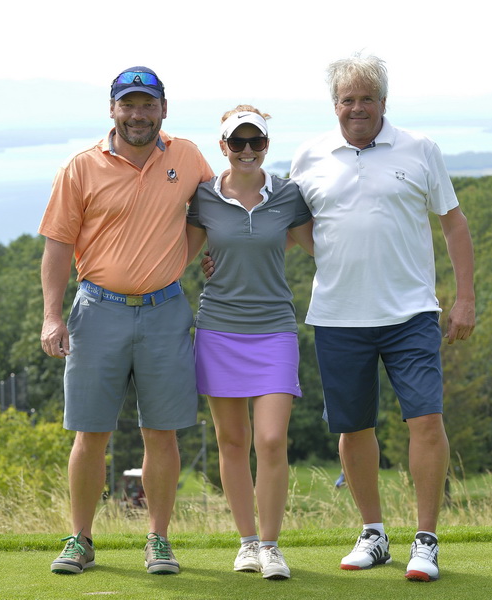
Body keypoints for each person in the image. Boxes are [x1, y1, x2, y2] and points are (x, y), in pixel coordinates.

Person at [290, 53, 476, 581]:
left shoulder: (419, 149)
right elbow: (290, 224)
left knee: (426, 421)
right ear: (335, 105)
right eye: (347, 99)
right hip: (338, 316)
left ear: (384, 102)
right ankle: (373, 534)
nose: (357, 108)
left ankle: (426, 541)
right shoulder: (309, 156)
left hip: (411, 313)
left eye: (367, 98)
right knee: (353, 429)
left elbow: (454, 223)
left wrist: (465, 298)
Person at [38, 66, 213, 576]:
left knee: (162, 433)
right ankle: (81, 538)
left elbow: (212, 212)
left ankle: (158, 539)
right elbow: (57, 246)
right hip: (97, 310)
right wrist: (51, 317)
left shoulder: (187, 156)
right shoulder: (81, 167)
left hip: (165, 311)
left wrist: (194, 257)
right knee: (90, 432)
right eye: (129, 104)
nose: (139, 114)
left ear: (164, 109)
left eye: (148, 104)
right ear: (112, 109)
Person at [186, 105, 314, 581]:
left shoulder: (287, 194)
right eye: (237, 142)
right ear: (223, 147)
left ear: (266, 145)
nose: (246, 150)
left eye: (255, 141)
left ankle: (272, 545)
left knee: (272, 439)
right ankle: (246, 543)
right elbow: (179, 254)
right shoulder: (203, 197)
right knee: (233, 441)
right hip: (218, 329)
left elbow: (320, 247)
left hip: (275, 328)